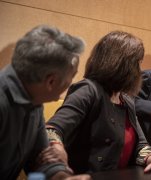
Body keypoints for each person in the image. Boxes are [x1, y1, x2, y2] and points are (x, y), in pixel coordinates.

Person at [45, 31, 151, 175]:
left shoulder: (125, 99)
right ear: (121, 64)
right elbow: (51, 130)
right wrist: (57, 147)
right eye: (137, 63)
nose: (139, 70)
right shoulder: (88, 90)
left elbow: (141, 145)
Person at [0, 25, 89, 179]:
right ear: (51, 82)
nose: (72, 81)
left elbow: (43, 159)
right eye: (73, 75)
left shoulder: (33, 99)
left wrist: (64, 178)